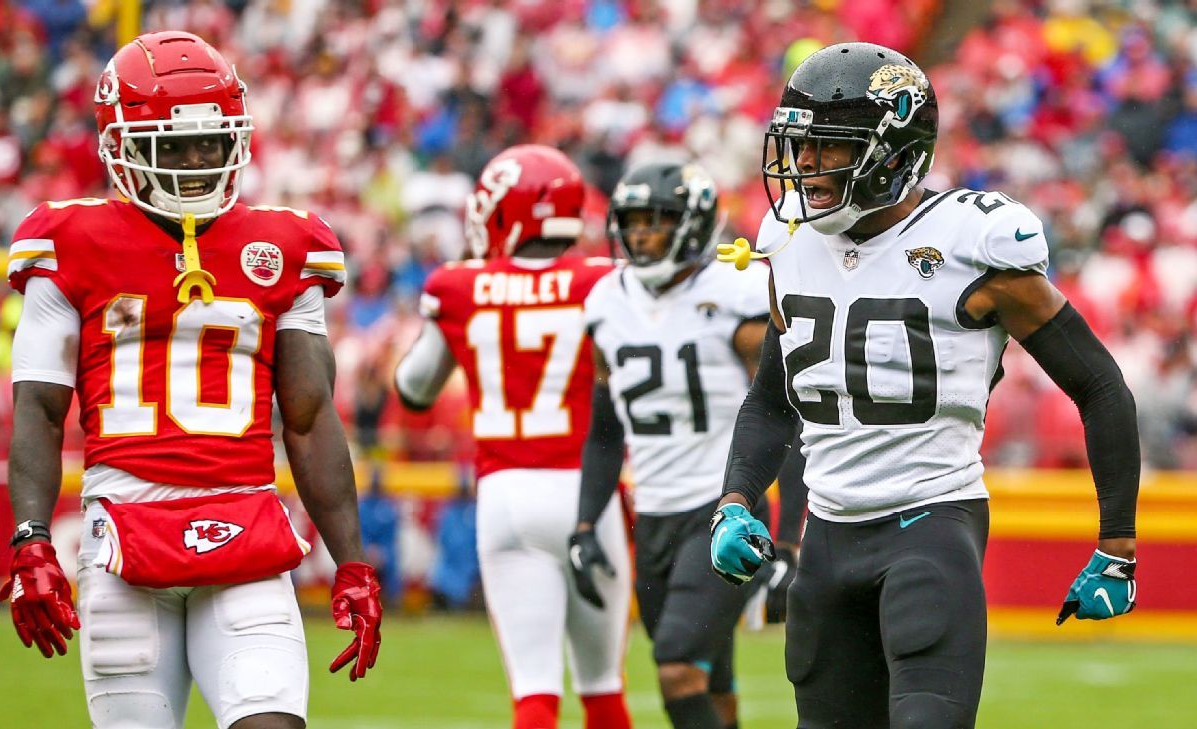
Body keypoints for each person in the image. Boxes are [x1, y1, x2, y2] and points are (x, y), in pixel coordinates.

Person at [709, 43, 1140, 729]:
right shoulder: (788, 239)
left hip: (930, 523)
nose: (806, 165)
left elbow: (1099, 384)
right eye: (800, 145)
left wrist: (1116, 544)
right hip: (827, 536)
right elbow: (772, 397)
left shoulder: (974, 243)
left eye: (829, 146)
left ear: (893, 154)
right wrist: (734, 501)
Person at [0, 31, 382, 729]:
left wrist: (352, 562)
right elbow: (41, 409)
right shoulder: (69, 240)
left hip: (246, 533)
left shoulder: (287, 243)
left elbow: (309, 416)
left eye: (209, 142)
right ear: (119, 144)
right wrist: (31, 537)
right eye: (173, 146)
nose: (196, 161)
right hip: (124, 536)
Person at [394, 145, 632, 729]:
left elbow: (413, 389)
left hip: (506, 495)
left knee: (534, 694)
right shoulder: (605, 281)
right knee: (603, 689)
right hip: (589, 493)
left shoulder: (459, 286)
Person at [570, 161, 799, 729]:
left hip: (720, 509)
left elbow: (783, 413)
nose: (641, 235)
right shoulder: (605, 301)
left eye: (657, 221)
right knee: (711, 679)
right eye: (632, 222)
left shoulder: (737, 291)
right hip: (652, 514)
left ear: (693, 224)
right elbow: (605, 429)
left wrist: (790, 540)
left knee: (677, 668)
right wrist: (585, 523)